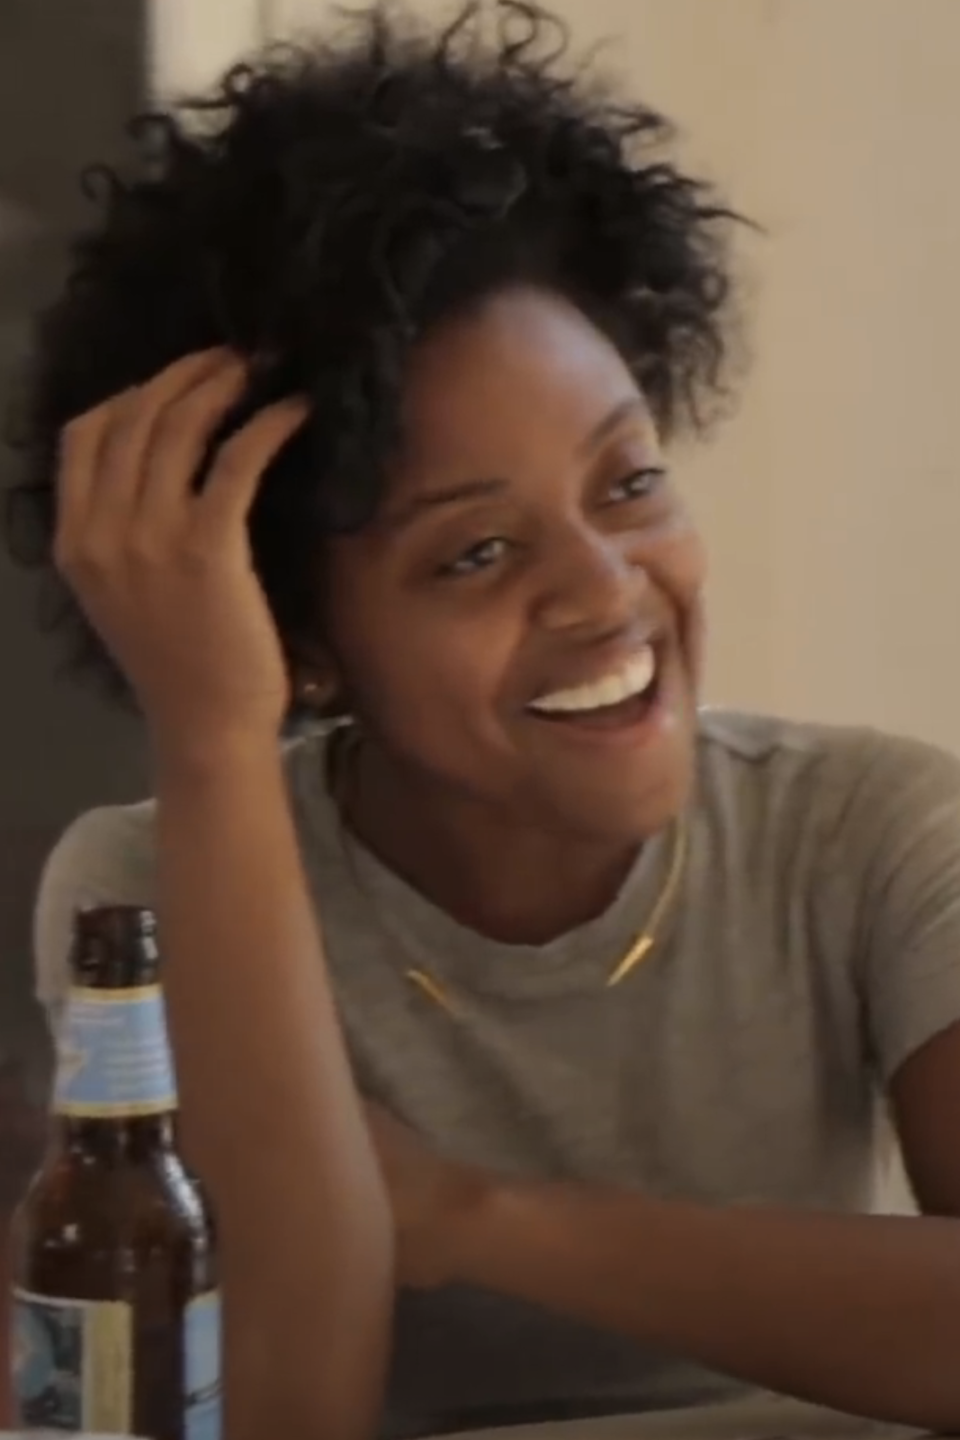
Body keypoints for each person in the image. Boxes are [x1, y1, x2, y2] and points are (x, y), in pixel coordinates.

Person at [5, 5, 960, 1439]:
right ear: (304, 642)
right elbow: (280, 1414)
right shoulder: (150, 884)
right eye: (474, 554)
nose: (605, 591)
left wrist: (471, 1217)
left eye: (627, 484)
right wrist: (209, 739)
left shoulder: (873, 834)